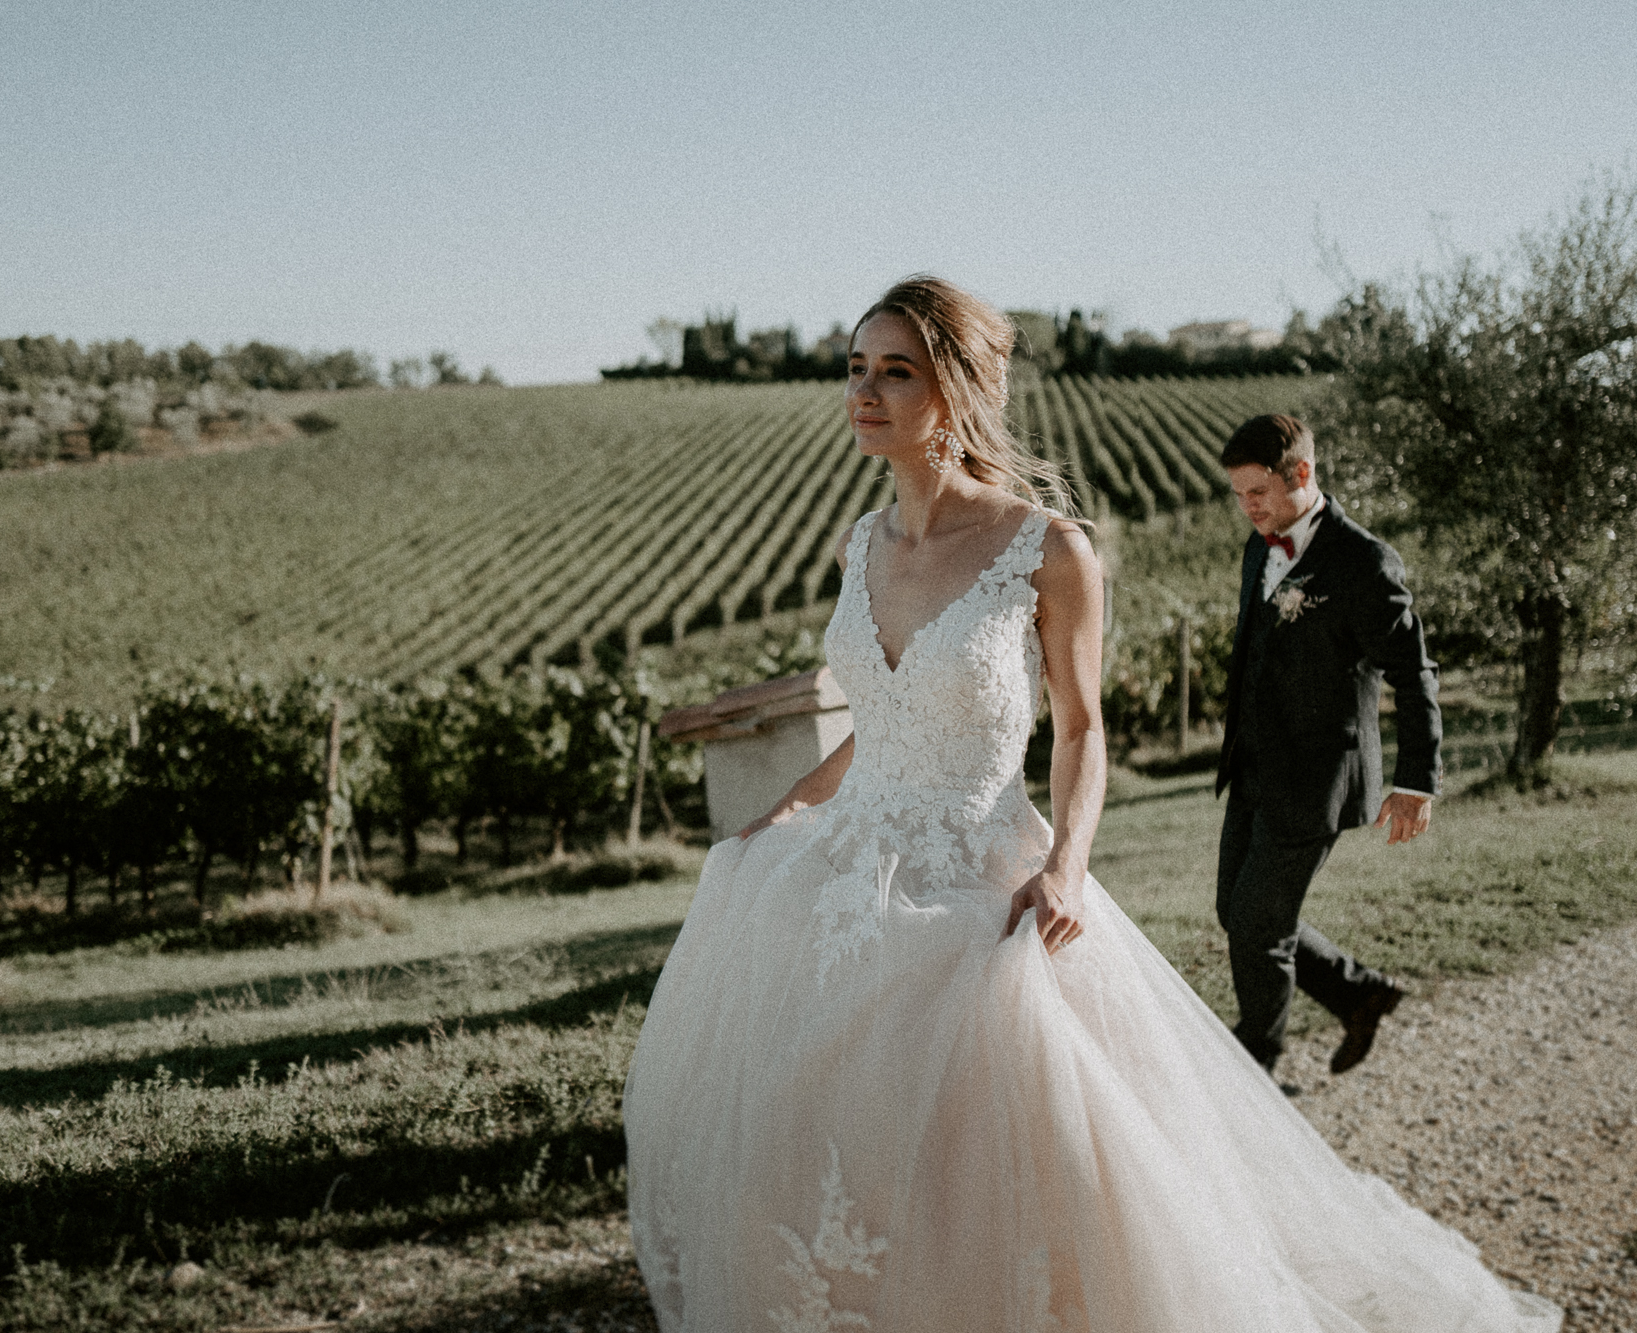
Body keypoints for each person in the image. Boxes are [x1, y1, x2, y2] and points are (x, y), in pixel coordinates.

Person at [623, 276, 1558, 1331]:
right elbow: (875, 724)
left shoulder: (1047, 548)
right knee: (814, 1133)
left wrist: (1064, 864)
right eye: (855, 368)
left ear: (960, 389)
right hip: (843, 874)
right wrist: (782, 814)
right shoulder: (857, 544)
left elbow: (1079, 731)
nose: (864, 392)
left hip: (980, 874)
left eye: (895, 371)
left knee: (1007, 1148)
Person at [1215, 414, 1440, 1078]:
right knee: (1236, 911)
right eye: (1237, 494)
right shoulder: (1259, 546)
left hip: (1316, 779)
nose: (1247, 507)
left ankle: (1255, 1071)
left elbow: (1414, 672)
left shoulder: (1364, 561)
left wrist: (1416, 780)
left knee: (1258, 926)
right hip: (1252, 767)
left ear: (1302, 474)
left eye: (1256, 491)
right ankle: (1356, 991)